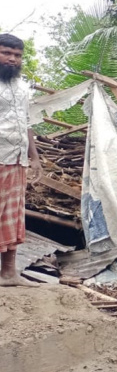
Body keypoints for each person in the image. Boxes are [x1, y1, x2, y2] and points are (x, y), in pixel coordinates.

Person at [0, 34, 42, 287]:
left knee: (14, 216)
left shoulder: (22, 89)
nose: (12, 59)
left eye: (17, 55)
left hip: (16, 160)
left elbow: (26, 123)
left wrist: (34, 157)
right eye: (6, 53)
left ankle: (8, 274)